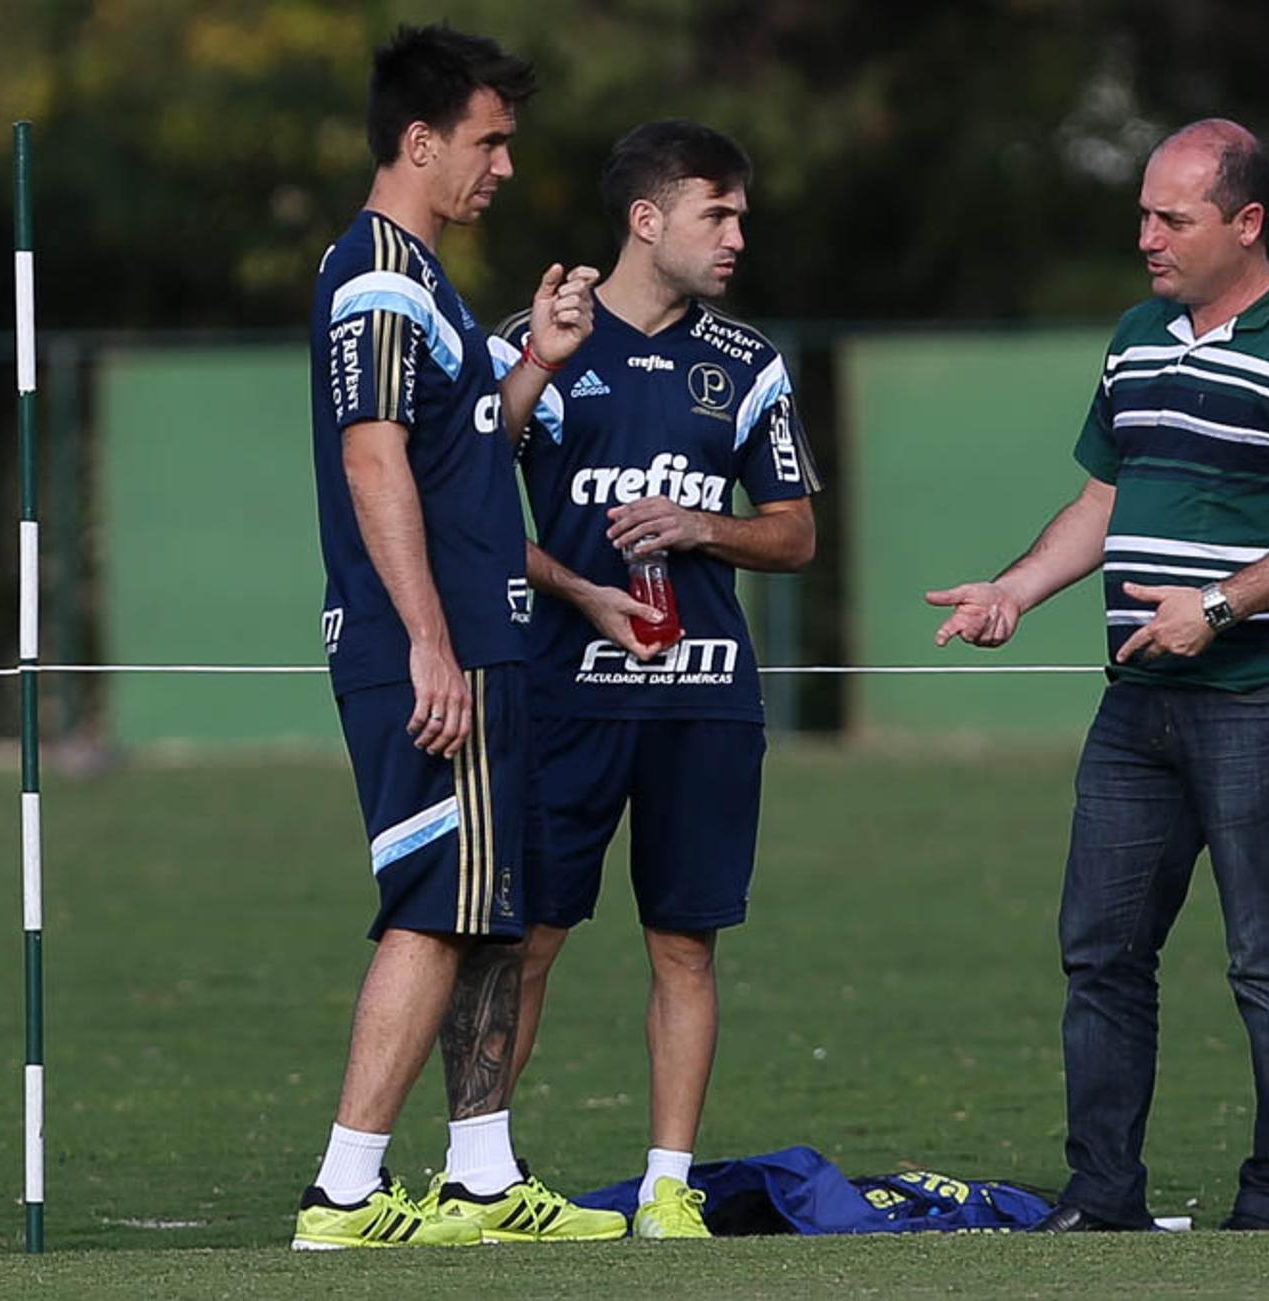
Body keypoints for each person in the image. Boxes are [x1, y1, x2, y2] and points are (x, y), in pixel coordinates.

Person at [928, 119, 1269, 1234]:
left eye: (1171, 218)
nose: (1147, 237)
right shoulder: (1138, 336)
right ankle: (1103, 1198)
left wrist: (1217, 608)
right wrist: (1013, 592)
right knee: (1100, 949)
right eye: (1142, 213)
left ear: (1247, 222)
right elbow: (1104, 500)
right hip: (1139, 700)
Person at [294, 23, 625, 1249]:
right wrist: (429, 641)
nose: (501, 166)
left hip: (483, 633)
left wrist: (533, 359)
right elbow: (373, 453)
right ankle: (343, 1187)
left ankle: (481, 1177)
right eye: (488, 142)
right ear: (421, 140)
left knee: (486, 901)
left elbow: (461, 448)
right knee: (434, 899)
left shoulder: (428, 279)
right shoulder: (378, 274)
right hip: (429, 639)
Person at [488, 119, 821, 1240]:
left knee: (686, 942)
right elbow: (474, 502)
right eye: (714, 214)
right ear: (647, 218)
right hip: (560, 691)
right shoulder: (539, 337)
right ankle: (476, 1171)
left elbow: (794, 535)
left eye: (740, 215)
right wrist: (535, 361)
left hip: (704, 694)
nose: (736, 236)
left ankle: (669, 1186)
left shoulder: (749, 363)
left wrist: (703, 525)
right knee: (524, 936)